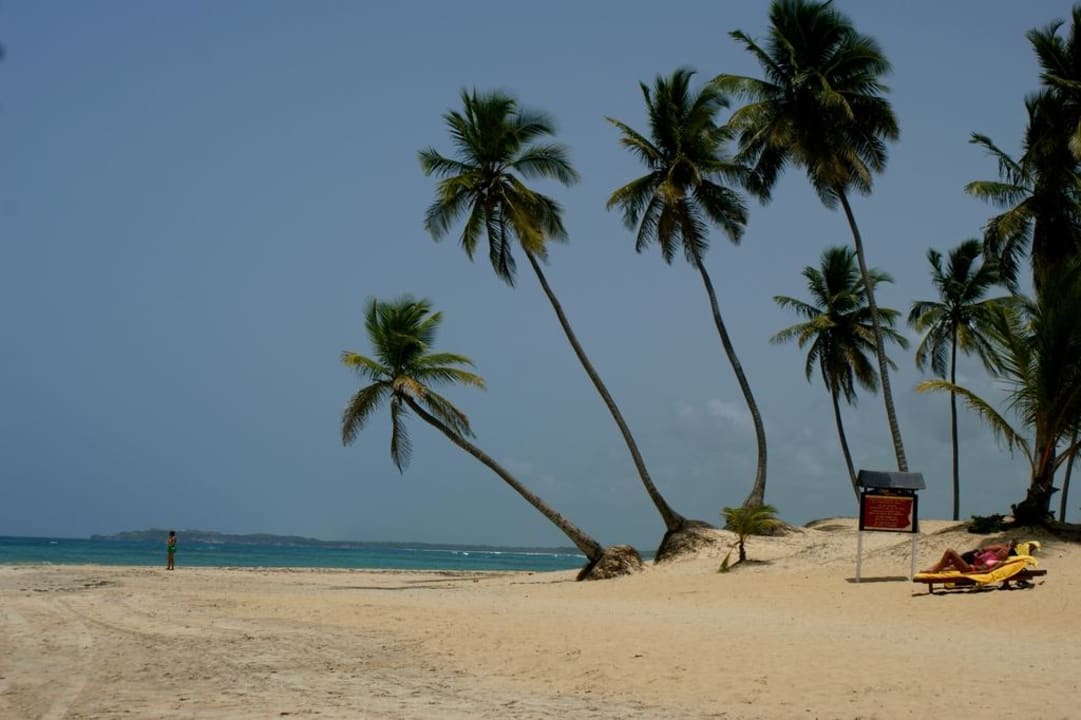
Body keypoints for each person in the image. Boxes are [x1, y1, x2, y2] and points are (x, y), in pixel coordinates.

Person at [921, 540, 1015, 574]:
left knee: (950, 552)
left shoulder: (1000, 563)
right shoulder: (993, 555)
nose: (1003, 550)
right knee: (949, 565)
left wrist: (974, 574)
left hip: (970, 569)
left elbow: (989, 571)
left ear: (1006, 555)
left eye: (1005, 551)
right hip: (970, 567)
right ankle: (932, 570)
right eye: (1004, 550)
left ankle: (934, 570)